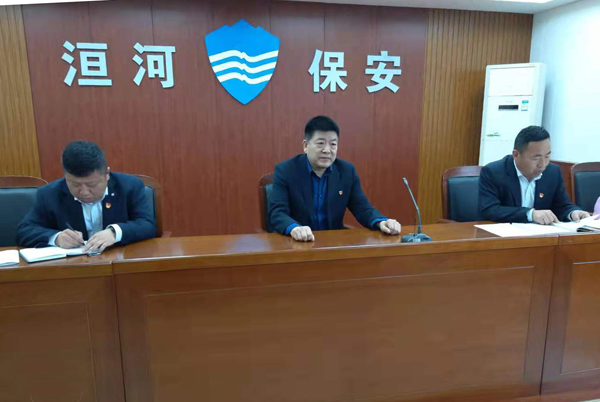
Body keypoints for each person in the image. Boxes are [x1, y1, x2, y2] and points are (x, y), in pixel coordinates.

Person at [267, 115, 401, 242]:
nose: (327, 150)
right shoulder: (286, 170)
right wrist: (294, 228)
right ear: (306, 146)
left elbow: (363, 208)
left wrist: (381, 222)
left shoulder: (346, 172)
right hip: (296, 244)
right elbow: (277, 213)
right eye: (320, 143)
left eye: (333, 144)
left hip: (332, 244)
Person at [17, 141, 156, 252]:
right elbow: (24, 231)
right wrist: (56, 238)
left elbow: (147, 224)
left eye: (91, 184)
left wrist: (115, 232)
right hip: (73, 268)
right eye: (75, 184)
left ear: (107, 174)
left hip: (118, 262)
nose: (84, 192)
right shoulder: (49, 193)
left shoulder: (129, 186)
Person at [479, 126, 589, 224]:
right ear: (516, 155)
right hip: (504, 236)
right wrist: (530, 214)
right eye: (536, 158)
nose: (542, 164)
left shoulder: (553, 172)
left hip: (540, 235)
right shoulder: (493, 172)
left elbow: (561, 205)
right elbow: (489, 210)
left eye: (547, 156)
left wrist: (573, 212)